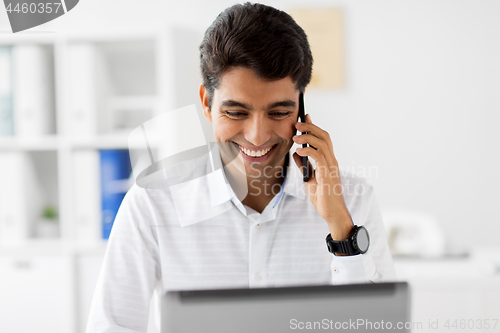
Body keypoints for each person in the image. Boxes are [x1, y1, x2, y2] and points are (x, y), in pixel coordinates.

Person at [86, 2, 396, 332]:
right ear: (207, 103)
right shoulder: (153, 202)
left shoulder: (352, 199)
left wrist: (342, 230)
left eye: (278, 112)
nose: (257, 135)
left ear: (301, 106)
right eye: (236, 112)